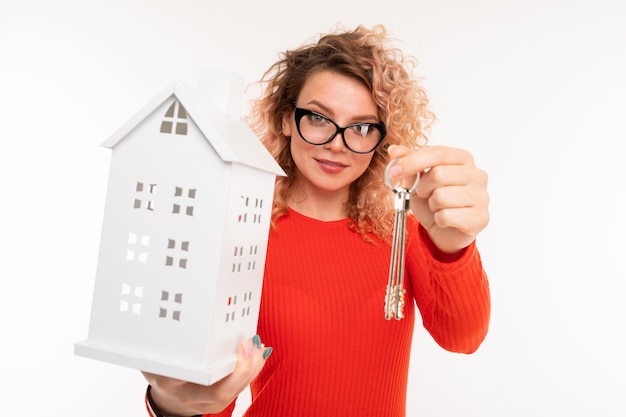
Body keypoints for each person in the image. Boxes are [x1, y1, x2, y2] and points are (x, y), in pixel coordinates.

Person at [143, 24, 491, 417]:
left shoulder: (403, 229)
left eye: (361, 127)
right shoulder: (243, 234)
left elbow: (463, 338)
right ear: (287, 119)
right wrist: (172, 405)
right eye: (319, 119)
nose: (337, 144)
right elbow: (211, 397)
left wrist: (453, 248)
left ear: (381, 139)